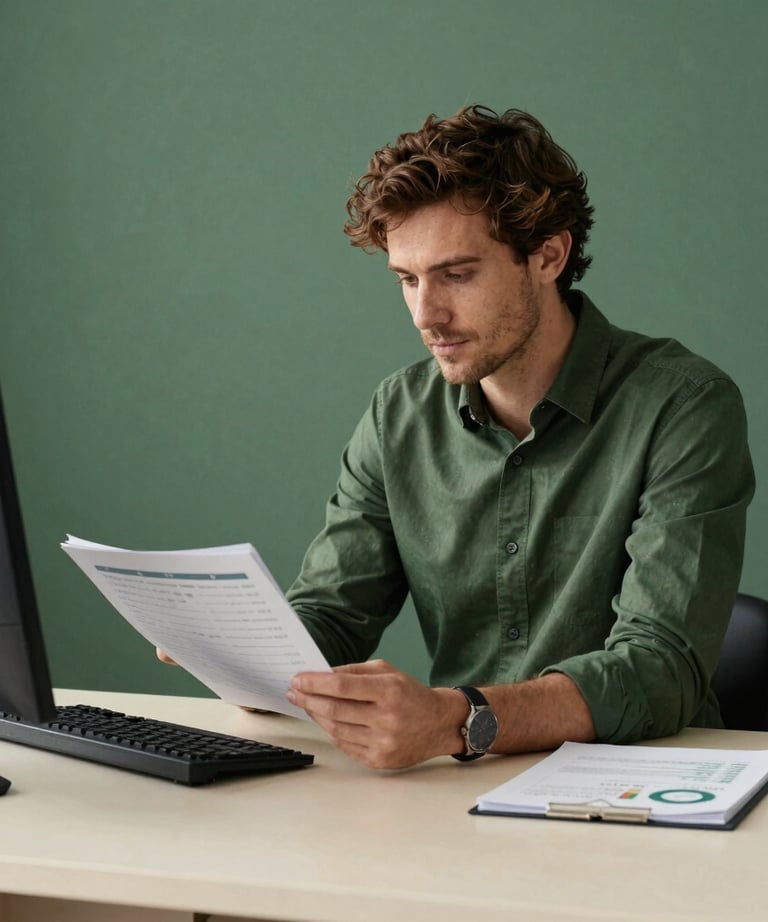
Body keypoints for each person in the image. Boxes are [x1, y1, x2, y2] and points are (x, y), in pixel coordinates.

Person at [165, 106, 755, 771]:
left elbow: (660, 668)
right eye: (407, 279)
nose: (426, 315)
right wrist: (235, 647)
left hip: (640, 784)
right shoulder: (398, 413)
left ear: (548, 255)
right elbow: (333, 617)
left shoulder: (682, 404)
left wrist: (456, 719)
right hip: (454, 789)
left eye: (457, 274)